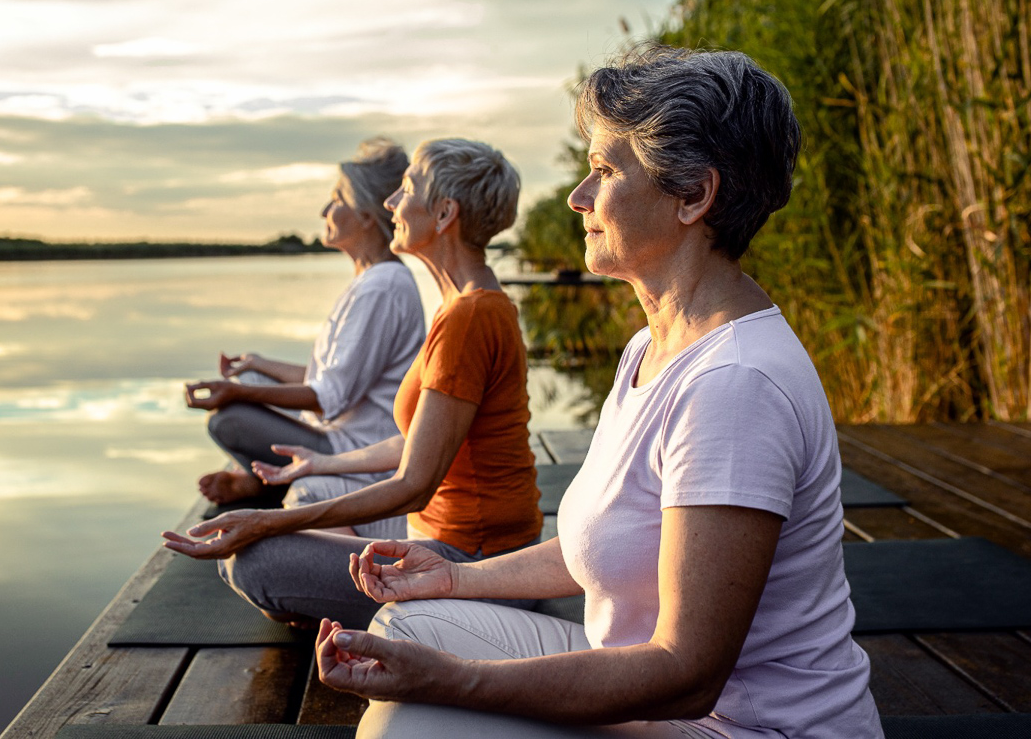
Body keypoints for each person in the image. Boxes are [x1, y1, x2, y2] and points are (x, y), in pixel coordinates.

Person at [314, 45, 884, 739]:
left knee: (408, 721)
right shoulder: (653, 345)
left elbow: (687, 673)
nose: (579, 198)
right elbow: (605, 546)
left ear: (693, 196)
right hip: (654, 686)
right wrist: (454, 579)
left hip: (737, 726)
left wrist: (453, 682)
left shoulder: (735, 387)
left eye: (606, 170)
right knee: (411, 620)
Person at [164, 138, 544, 628]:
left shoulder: (470, 316)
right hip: (459, 551)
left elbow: (413, 486)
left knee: (253, 560)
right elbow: (416, 443)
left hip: (475, 568)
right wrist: (324, 461)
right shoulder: (464, 306)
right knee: (284, 525)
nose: (390, 204)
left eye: (406, 190)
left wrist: (270, 520)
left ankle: (386, 613)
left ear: (444, 213)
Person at [183, 138, 424, 535]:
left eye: (337, 199)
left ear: (366, 216)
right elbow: (328, 380)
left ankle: (261, 484)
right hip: (337, 429)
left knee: (229, 419)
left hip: (353, 451)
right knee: (251, 378)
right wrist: (257, 366)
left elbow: (326, 397)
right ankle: (259, 479)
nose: (325, 211)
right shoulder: (370, 279)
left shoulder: (381, 287)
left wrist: (237, 395)